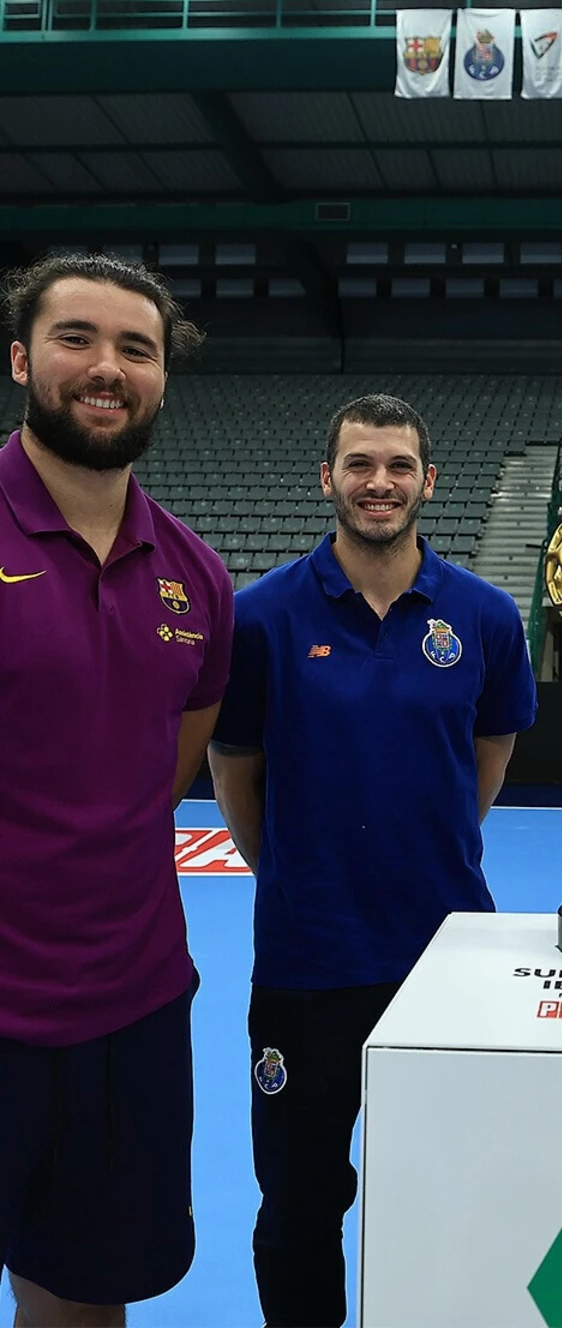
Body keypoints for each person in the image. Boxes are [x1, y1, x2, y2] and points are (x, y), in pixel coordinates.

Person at [208, 393, 538, 1328]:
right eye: (360, 464)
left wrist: (429, 844)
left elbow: (488, 757)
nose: (379, 482)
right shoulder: (260, 617)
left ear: (429, 480)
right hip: (306, 962)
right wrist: (295, 869)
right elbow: (234, 771)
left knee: (450, 1196)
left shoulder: (485, 616)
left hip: (445, 962)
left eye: (398, 466)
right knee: (298, 1208)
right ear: (329, 479)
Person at [0, 255, 233, 1328]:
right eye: (76, 338)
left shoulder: (198, 575)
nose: (107, 367)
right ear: (21, 360)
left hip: (131, 1011)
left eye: (136, 349)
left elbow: (165, 772)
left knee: (85, 1299)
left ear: (162, 379)